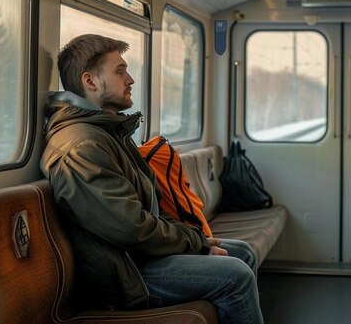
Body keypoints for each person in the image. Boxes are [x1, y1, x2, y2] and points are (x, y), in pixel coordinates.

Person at [40, 34, 264, 324]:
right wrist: (195, 242)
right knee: (235, 276)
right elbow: (130, 227)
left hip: (137, 257)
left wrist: (197, 239)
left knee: (242, 252)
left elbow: (151, 208)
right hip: (122, 274)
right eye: (119, 71)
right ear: (90, 82)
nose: (130, 79)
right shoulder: (83, 147)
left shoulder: (108, 133)